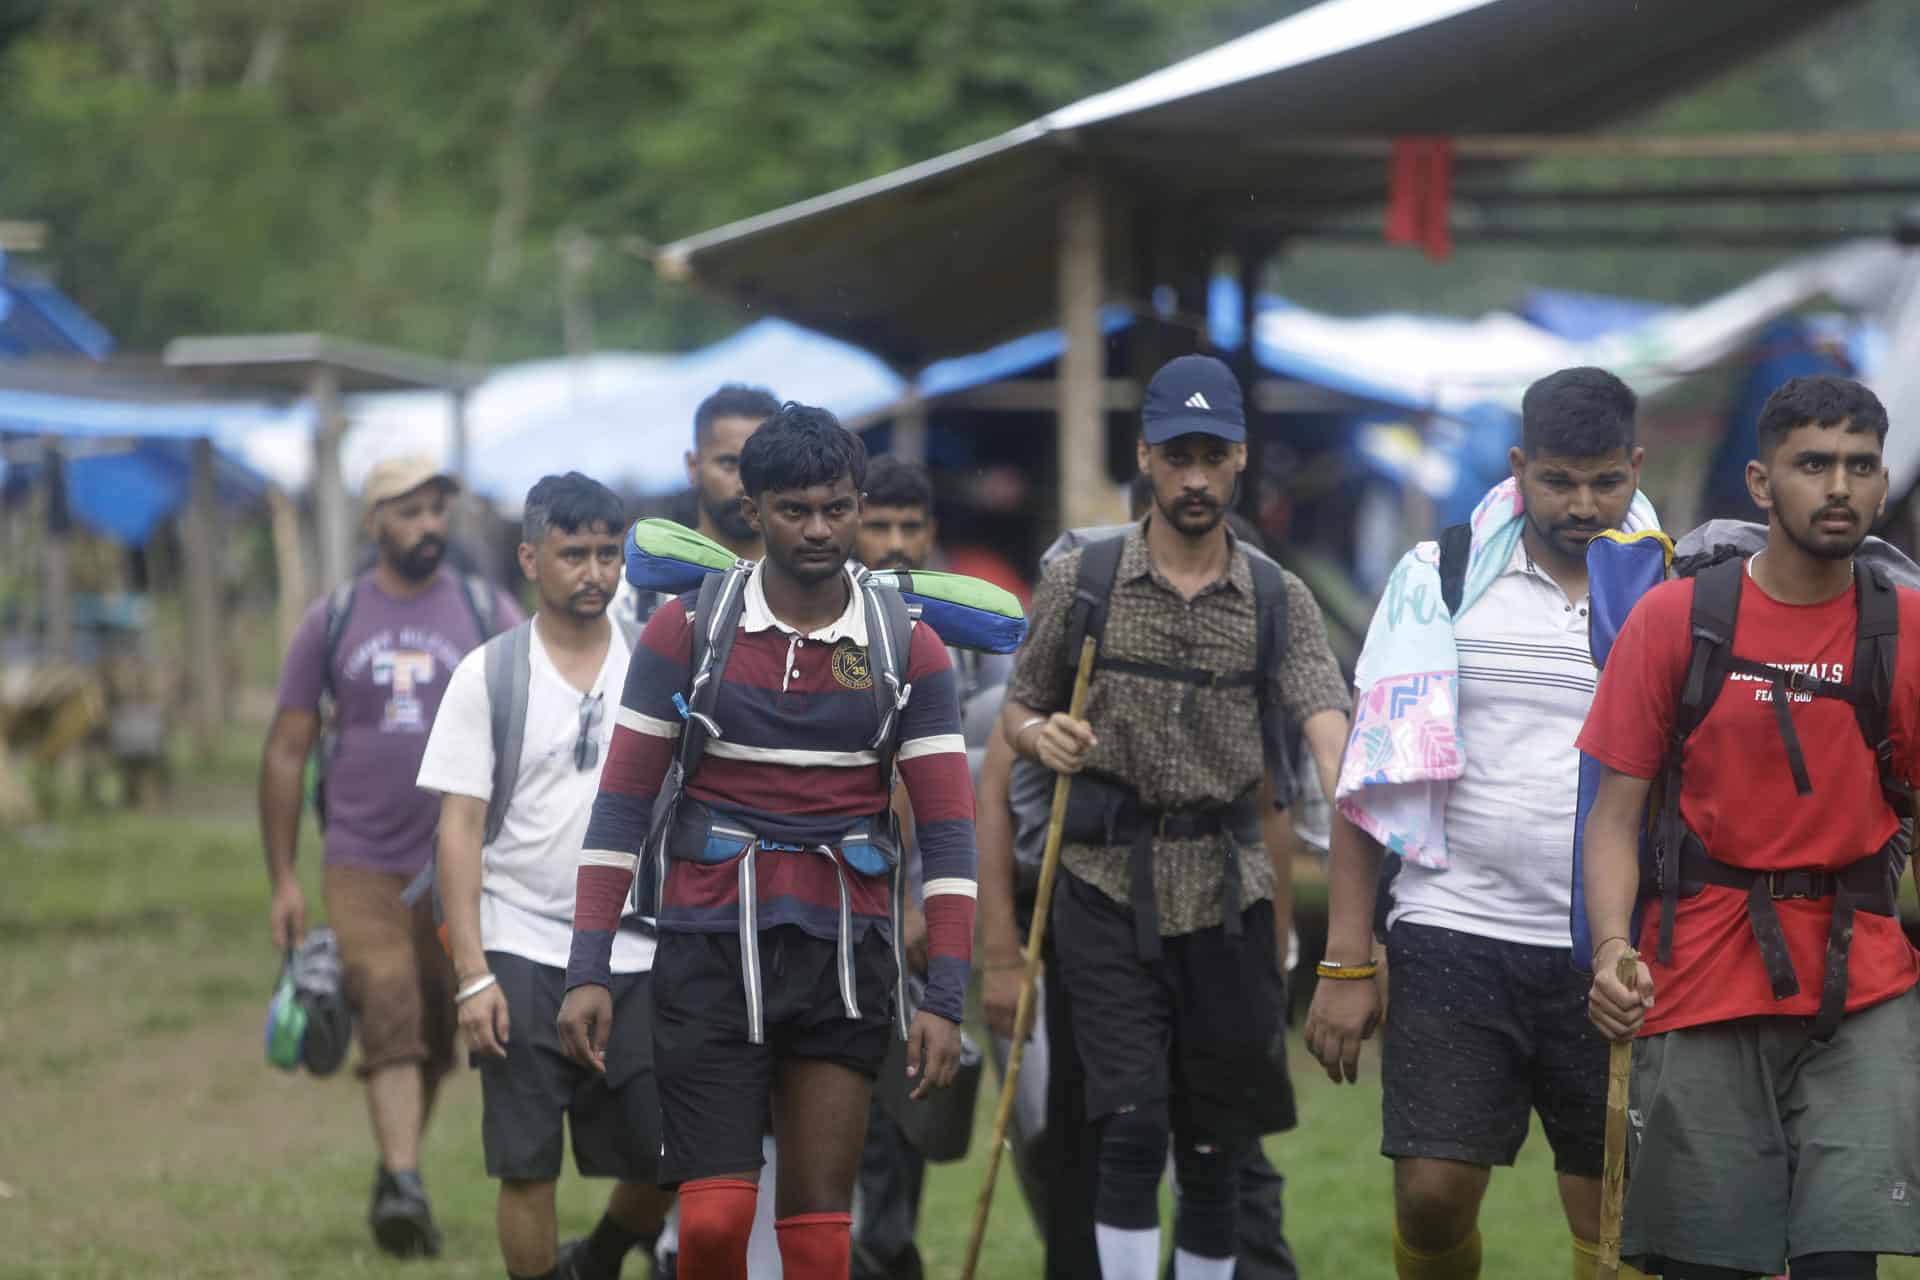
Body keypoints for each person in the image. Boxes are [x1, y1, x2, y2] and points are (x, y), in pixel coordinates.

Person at [559, 403, 974, 1280]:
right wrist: (588, 967)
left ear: (858, 504)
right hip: (707, 949)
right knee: (711, 1228)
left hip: (846, 957)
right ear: (754, 511)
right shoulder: (687, 630)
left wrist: (946, 993)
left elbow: (948, 832)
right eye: (795, 509)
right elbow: (621, 807)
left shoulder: (912, 649)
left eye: (836, 507)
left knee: (819, 1240)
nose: (819, 529)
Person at [1000, 354, 1351, 1280]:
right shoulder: (1084, 578)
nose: (1196, 480)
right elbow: (1016, 708)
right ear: (1146, 457)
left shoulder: (1278, 598)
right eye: (1178, 457)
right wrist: (1044, 739)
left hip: (1231, 891)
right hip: (1103, 885)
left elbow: (1325, 721)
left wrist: (1346, 775)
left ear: (1242, 461)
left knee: (1212, 1141)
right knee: (1130, 1121)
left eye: (1215, 458)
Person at [1304, 367, 1657, 1280]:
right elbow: (1370, 769)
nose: (1583, 505)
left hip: (1613, 952)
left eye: (1605, 481)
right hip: (1455, 927)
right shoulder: (1440, 578)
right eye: (1558, 480)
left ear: (1637, 467)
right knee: (1430, 1199)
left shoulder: (1674, 592)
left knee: (1614, 1218)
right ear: (1517, 465)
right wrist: (1346, 957)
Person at [1582, 375, 1920, 1280]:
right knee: (1707, 1267)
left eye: (1860, 465)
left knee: (1839, 1264)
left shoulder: (1908, 630)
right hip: (1697, 978)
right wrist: (1613, 947)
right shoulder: (1674, 622)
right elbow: (1613, 817)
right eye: (1814, 465)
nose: (1839, 487)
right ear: (1763, 483)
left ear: (1885, 482)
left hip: (1864, 988)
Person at [976, 489, 1304, 1280]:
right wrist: (1002, 951)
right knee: (1105, 1131)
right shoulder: (1039, 688)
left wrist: (1282, 942)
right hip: (1081, 915)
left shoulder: (1256, 664)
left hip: (1216, 919)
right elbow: (995, 794)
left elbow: (1273, 808)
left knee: (1221, 1146)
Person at [260, 455, 521, 1257]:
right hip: (361, 856)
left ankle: (392, 1172)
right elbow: (285, 750)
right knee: (386, 995)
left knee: (443, 1025)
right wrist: (283, 880)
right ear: (374, 522)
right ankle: (406, 1183)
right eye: (408, 511)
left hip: (459, 864)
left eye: (436, 509)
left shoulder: (488, 610)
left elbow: (535, 717)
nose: (428, 525)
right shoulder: (331, 620)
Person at [416, 473, 674, 1280]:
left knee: (668, 1152)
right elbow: (456, 829)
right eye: (573, 554)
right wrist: (471, 974)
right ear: (531, 558)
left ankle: (597, 1258)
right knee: (525, 1162)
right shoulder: (488, 676)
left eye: (608, 552)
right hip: (521, 942)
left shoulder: (658, 666)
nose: (595, 571)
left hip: (639, 949)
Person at [847, 455, 1008, 1280]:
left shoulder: (968, 634)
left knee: (911, 1075)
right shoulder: (822, 619)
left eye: (912, 528)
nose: (896, 543)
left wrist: (928, 906)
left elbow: (970, 771)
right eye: (880, 525)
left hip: (920, 894)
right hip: (835, 886)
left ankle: (884, 1242)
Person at [614, 384, 780, 631]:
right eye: (728, 463)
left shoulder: (829, 584)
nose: (745, 483)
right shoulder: (636, 591)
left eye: (759, 464)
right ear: (693, 466)